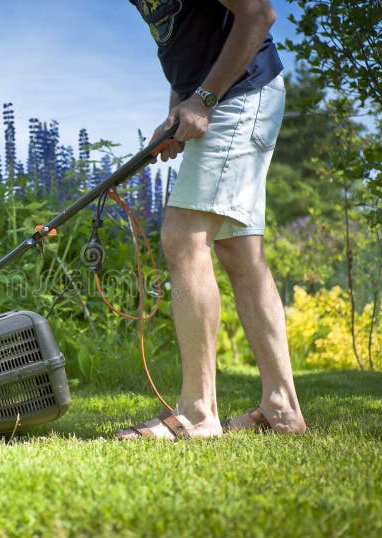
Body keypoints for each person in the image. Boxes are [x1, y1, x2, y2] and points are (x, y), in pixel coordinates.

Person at [116, 0, 307, 440]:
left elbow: (258, 14)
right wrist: (177, 112)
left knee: (184, 239)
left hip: (239, 95)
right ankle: (282, 407)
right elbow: (183, 46)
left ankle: (198, 413)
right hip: (228, 98)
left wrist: (202, 101)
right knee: (240, 252)